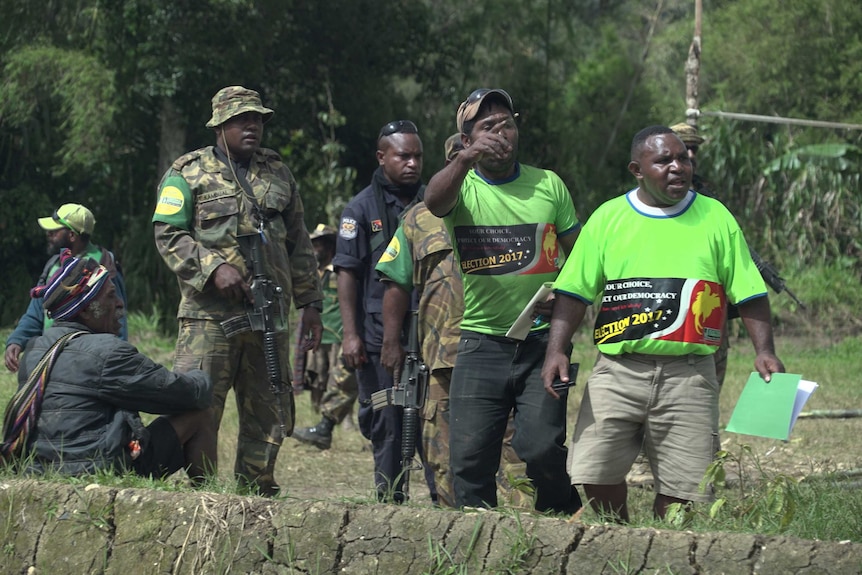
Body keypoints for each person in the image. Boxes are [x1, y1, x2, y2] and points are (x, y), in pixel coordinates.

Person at [542, 125, 785, 522]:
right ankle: (619, 534)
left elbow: (749, 291)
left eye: (683, 158)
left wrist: (765, 351)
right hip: (618, 371)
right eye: (664, 161)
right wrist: (555, 351)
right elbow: (574, 292)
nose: (678, 167)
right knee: (594, 472)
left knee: (683, 491)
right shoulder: (608, 218)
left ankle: (665, 548)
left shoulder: (715, 217)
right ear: (637, 169)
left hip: (689, 376)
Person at [152, 85, 323, 496]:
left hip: (269, 315)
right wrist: (213, 269)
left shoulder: (278, 172)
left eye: (258, 119)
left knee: (270, 405)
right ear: (219, 126)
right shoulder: (187, 172)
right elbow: (168, 234)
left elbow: (299, 242)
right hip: (208, 319)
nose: (252, 126)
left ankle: (256, 491)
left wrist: (312, 303)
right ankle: (203, 495)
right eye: (241, 119)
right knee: (198, 405)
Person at [423, 88, 583, 514]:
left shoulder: (549, 184)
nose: (501, 134)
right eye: (487, 127)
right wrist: (463, 159)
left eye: (507, 124)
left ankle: (561, 519)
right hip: (480, 344)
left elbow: (581, 257)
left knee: (542, 448)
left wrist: (563, 293)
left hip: (543, 343)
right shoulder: (461, 185)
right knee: (469, 460)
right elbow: (433, 201)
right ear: (466, 138)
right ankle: (478, 541)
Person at [375, 132, 528, 508]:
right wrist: (391, 342)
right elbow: (396, 282)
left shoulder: (515, 206)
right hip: (441, 356)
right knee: (444, 459)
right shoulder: (417, 218)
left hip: (502, 349)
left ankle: (519, 536)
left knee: (514, 459)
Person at [1, 251, 215, 484]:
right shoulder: (108, 352)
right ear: (84, 310)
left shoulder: (34, 349)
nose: (120, 303)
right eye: (111, 296)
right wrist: (201, 377)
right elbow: (181, 394)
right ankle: (206, 497)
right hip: (97, 470)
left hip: (37, 469)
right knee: (200, 413)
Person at [333, 119, 428, 503]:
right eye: (403, 156)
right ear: (382, 157)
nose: (412, 164)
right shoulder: (360, 208)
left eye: (418, 156)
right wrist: (350, 334)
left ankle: (443, 501)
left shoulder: (432, 201)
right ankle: (390, 499)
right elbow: (347, 274)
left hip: (425, 329)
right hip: (375, 335)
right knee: (385, 419)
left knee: (429, 419)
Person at [5, 203, 128, 373]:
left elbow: (118, 317)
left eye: (55, 231)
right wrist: (17, 340)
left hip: (90, 359)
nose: (48, 234)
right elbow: (36, 311)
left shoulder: (104, 266)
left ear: (72, 235)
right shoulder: (53, 266)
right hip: (52, 355)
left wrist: (118, 360)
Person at [292, 223, 358, 449]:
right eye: (314, 245)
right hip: (319, 336)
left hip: (338, 334)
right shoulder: (314, 274)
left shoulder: (339, 272)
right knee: (317, 378)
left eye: (320, 245)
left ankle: (344, 419)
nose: (316, 249)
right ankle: (319, 418)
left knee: (339, 377)